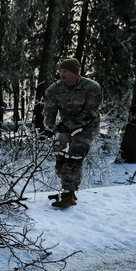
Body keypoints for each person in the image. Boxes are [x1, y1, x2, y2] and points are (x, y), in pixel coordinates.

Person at [43, 57, 102, 208]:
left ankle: (68, 196)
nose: (62, 75)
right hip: (65, 127)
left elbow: (91, 113)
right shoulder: (56, 88)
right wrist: (49, 126)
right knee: (60, 159)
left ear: (76, 73)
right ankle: (68, 191)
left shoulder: (92, 88)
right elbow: (49, 109)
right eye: (60, 71)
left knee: (74, 158)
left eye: (66, 71)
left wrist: (69, 125)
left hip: (86, 127)